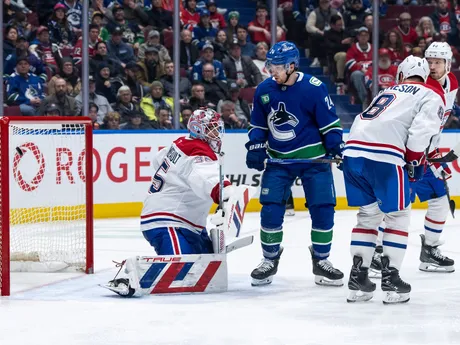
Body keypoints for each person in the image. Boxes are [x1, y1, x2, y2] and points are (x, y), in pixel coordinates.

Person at [342, 55, 445, 304]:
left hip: (353, 153)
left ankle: (359, 277)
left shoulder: (385, 92)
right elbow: (421, 132)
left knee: (368, 216)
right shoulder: (429, 95)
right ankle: (391, 277)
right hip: (385, 157)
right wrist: (413, 161)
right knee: (398, 216)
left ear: (401, 74)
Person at [105, 108, 234, 296]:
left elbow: (157, 161)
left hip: (187, 223)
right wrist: (224, 191)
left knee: (207, 270)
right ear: (199, 130)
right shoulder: (198, 150)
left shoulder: (181, 143)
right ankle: (132, 276)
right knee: (181, 273)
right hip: (168, 222)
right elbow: (206, 177)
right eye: (212, 128)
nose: (217, 133)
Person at [246, 41, 344, 287]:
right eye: (270, 66)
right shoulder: (264, 89)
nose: (272, 71)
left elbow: (330, 124)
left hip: (314, 160)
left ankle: (321, 261)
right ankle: (269, 259)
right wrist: (256, 146)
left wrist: (335, 145)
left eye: (277, 67)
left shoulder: (314, 88)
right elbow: (258, 126)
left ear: (292, 66)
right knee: (270, 209)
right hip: (279, 161)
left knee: (323, 209)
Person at [372, 42, 458, 275]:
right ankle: (375, 255)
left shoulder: (452, 84)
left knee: (440, 202)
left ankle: (429, 250)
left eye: (437, 62)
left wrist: (434, 153)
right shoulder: (421, 85)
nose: (432, 66)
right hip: (406, 155)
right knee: (394, 207)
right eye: (429, 61)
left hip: (427, 156)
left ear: (448, 64)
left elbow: (438, 122)